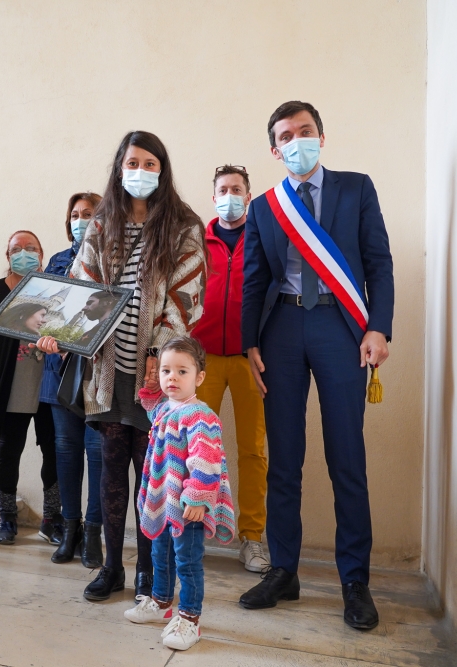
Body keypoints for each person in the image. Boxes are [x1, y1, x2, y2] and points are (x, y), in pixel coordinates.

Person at [239, 101, 394, 630]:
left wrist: (379, 327)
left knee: (346, 456)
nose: (296, 141)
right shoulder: (265, 206)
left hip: (340, 328)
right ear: (274, 148)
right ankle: (284, 570)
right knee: (284, 457)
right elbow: (254, 280)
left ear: (321, 137)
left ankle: (355, 580)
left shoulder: (357, 188)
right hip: (281, 330)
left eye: (304, 131)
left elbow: (379, 261)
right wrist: (248, 343)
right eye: (285, 135)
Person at [62, 131, 207, 602]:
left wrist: (158, 358)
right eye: (132, 162)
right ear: (118, 168)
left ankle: (149, 570)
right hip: (108, 371)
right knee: (109, 472)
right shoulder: (101, 224)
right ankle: (112, 567)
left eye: (149, 163)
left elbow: (187, 300)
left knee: (152, 476)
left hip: (154, 376)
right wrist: (60, 333)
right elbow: (81, 289)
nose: (139, 171)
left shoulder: (184, 225)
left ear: (161, 169)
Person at [125, 336, 235, 651]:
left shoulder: (201, 416)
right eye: (166, 371)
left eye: (181, 372)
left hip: (189, 505)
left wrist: (198, 498)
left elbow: (206, 460)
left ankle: (190, 619)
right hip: (164, 501)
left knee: (186, 561)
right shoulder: (165, 410)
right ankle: (161, 602)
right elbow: (153, 413)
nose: (172, 377)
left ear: (199, 377)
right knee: (160, 553)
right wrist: (148, 391)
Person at [190, 165, 269, 573]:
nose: (230, 195)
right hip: (201, 360)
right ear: (214, 196)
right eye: (223, 189)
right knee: (197, 450)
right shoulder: (196, 240)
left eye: (237, 189)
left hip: (249, 359)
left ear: (248, 196)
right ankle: (192, 531)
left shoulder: (262, 237)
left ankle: (253, 538)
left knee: (253, 451)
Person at [0, 230, 63, 545]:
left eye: (31, 247)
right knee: (8, 451)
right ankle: (6, 519)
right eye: (17, 249)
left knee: (55, 453)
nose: (24, 253)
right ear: (7, 257)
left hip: (49, 387)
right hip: (13, 387)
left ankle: (51, 519)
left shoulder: (56, 292)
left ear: (41, 253)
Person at [38, 192, 105, 567]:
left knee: (96, 451)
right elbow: (46, 314)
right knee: (65, 449)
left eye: (89, 214)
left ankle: (93, 535)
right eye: (75, 215)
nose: (81, 220)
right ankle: (70, 529)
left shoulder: (114, 260)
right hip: (59, 370)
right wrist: (47, 337)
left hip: (98, 372)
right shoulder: (57, 262)